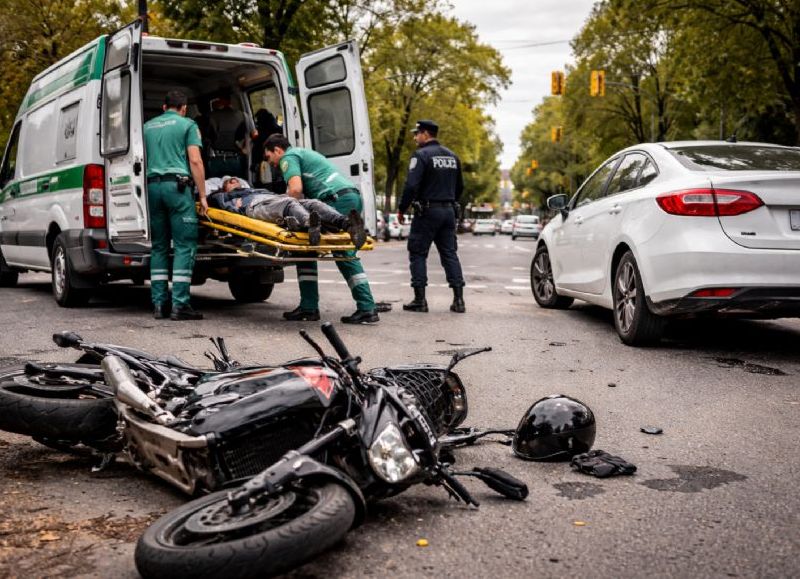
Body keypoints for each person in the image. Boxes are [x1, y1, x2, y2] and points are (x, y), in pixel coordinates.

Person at [263, 134, 379, 324]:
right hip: (348, 195)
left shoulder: (288, 157)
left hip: (334, 199)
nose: (271, 163)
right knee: (305, 250)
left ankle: (366, 307)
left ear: (277, 150)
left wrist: (282, 208)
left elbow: (294, 190)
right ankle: (309, 307)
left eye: (269, 158)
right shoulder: (304, 153)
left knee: (343, 252)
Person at [143, 90, 208, 321]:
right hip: (177, 189)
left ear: (163, 107)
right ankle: (180, 305)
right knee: (184, 245)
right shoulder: (187, 124)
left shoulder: (147, 127)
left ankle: (159, 304)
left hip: (152, 188)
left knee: (159, 246)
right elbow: (195, 160)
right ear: (184, 108)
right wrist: (202, 195)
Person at [398, 120, 466, 313]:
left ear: (426, 134)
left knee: (418, 253)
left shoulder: (421, 155)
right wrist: (449, 200)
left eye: (417, 134)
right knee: (450, 254)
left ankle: (420, 300)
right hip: (448, 212)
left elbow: (411, 185)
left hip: (427, 212)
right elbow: (460, 186)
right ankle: (459, 300)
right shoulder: (453, 157)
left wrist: (402, 208)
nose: (415, 137)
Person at [209, 176, 366, 248]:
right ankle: (308, 223)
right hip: (253, 206)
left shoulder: (254, 188)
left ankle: (346, 224)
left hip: (272, 199)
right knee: (288, 202)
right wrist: (234, 207)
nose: (234, 181)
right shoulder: (224, 196)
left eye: (236, 180)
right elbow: (213, 201)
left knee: (314, 203)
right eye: (229, 182)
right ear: (224, 188)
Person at [207, 93, 248, 179]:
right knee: (237, 186)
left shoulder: (213, 116)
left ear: (220, 101)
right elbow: (254, 134)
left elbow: (208, 136)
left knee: (216, 186)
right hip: (235, 158)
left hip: (217, 158)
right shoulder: (243, 115)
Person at [251, 109, 283, 188]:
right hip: (279, 158)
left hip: (265, 160)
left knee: (266, 183)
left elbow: (257, 148)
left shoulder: (262, 132)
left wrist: (254, 164)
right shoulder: (278, 129)